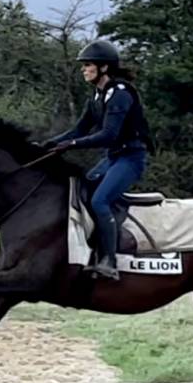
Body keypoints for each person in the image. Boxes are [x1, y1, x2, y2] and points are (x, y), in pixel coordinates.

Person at [43, 39, 152, 280]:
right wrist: (47, 145)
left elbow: (108, 134)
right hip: (113, 158)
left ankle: (110, 262)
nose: (83, 69)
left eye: (88, 65)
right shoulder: (96, 96)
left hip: (131, 158)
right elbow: (78, 130)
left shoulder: (120, 94)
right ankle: (90, 251)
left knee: (100, 200)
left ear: (104, 67)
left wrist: (70, 145)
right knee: (83, 191)